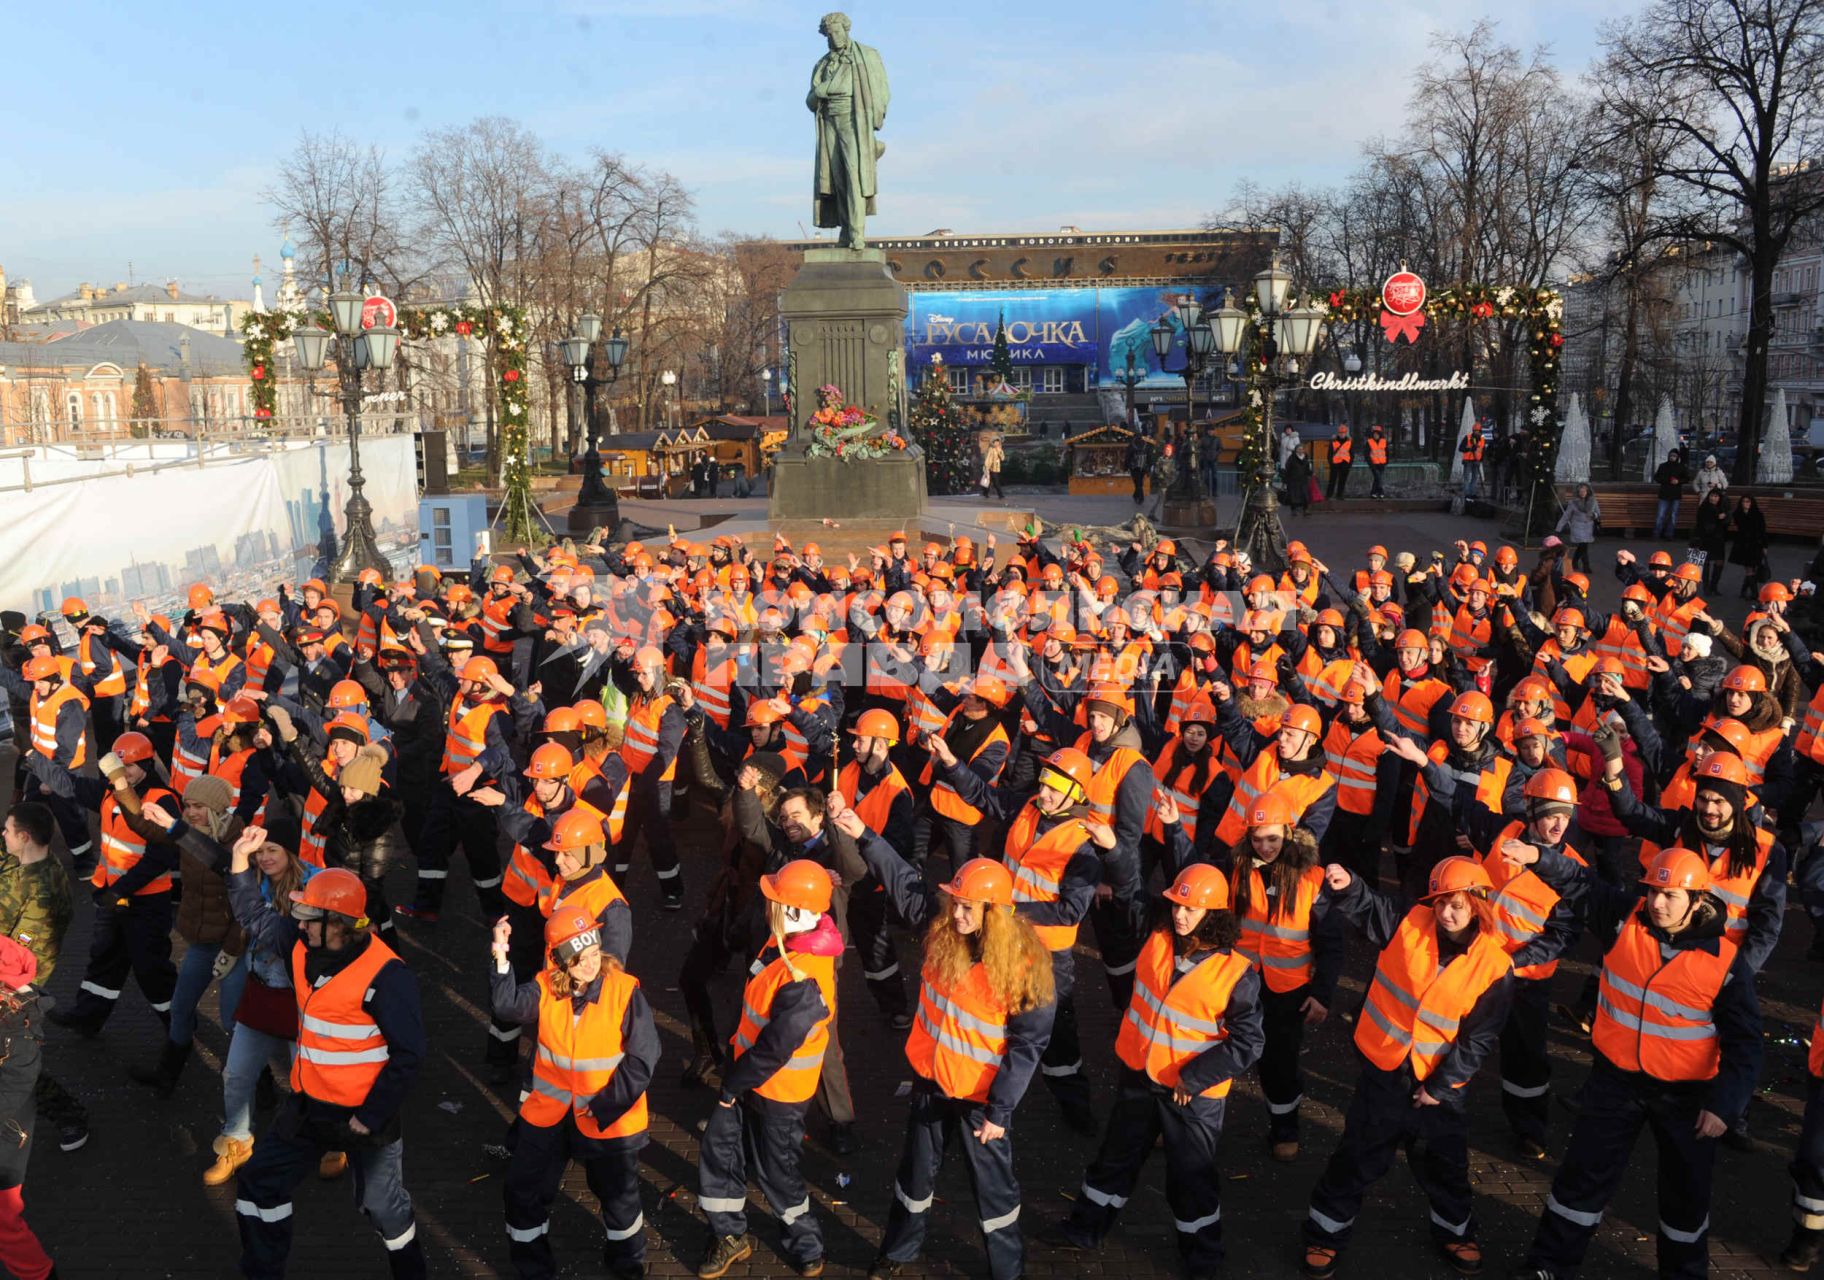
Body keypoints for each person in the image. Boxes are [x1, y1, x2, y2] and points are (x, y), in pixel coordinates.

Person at [1517, 848, 1761, 1280]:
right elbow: (1578, 881)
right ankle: (1549, 1265)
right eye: (1652, 893)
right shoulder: (1621, 919)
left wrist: (1725, 1106)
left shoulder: (1725, 963)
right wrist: (1537, 856)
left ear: (1698, 902)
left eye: (1669, 896)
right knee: (1580, 1179)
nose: (1657, 904)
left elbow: (1745, 1043)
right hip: (1616, 1082)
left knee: (1685, 1198)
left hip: (1686, 1097)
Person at [845, 824, 1056, 1280]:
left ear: (994, 913)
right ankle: (899, 1250)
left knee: (994, 1191)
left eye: (966, 908)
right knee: (915, 1177)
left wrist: (1000, 1112)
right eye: (955, 904)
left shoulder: (1023, 968)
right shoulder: (944, 933)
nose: (956, 915)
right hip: (931, 1081)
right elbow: (905, 884)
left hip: (982, 1101)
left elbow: (1028, 1046)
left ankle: (1007, 1268)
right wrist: (864, 835)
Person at [1301, 857, 1514, 1279]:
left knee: (1444, 1162)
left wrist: (1441, 1086)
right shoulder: (1407, 922)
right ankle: (1324, 1234)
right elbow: (1368, 906)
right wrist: (1347, 885)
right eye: (1440, 904)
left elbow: (1478, 1040)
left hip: (1439, 1086)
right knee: (1359, 1153)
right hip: (1386, 1067)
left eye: (1457, 905)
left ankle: (1456, 1231)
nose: (1447, 913)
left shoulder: (1495, 967)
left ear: (1477, 905)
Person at [1047, 863, 1263, 1274]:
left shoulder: (1237, 975)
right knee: (1114, 1159)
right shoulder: (1160, 939)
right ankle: (1085, 1229)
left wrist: (1194, 1077)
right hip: (1140, 1076)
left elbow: (1248, 1043)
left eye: (1191, 910)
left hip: (1190, 1095)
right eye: (1177, 905)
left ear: (1213, 915)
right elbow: (1130, 883)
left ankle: (1203, 1257)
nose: (1180, 916)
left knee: (1191, 1180)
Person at [229, 851, 427, 1279]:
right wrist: (237, 863)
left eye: (308, 918)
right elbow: (253, 915)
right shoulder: (300, 943)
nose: (299, 924)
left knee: (383, 1208)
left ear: (337, 924)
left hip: (363, 1118)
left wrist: (368, 1118)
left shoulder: (388, 976)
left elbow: (409, 1054)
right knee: (258, 1185)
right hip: (309, 1105)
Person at [491, 903, 657, 1280]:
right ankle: (534, 1270)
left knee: (619, 1201)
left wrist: (605, 1106)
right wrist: (501, 953)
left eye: (595, 953)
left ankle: (627, 1268)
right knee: (523, 1191)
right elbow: (507, 1006)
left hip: (606, 1120)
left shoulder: (625, 992)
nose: (590, 964)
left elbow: (644, 1058)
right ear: (560, 960)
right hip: (550, 1114)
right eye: (580, 957)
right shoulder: (547, 985)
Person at [694, 860, 838, 1279]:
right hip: (754, 1078)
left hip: (773, 1090)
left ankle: (806, 1244)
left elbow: (776, 1047)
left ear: (794, 910)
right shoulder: (789, 944)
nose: (766, 904)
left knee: (777, 1172)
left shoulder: (803, 974)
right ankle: (729, 1234)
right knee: (723, 1152)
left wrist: (731, 1085)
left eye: (774, 899)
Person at [0, 803, 83, 1155]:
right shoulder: (20, 865)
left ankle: (69, 1115)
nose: (2, 834)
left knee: (14, 1064)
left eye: (6, 829)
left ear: (24, 836)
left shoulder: (44, 888)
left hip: (13, 993)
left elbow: (17, 959)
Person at [0, 935, 56, 1280]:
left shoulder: (16, 1033)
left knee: (4, 1220)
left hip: (6, 1134)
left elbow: (15, 1085)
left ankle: (37, 1274)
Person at [1728, 493, 1769, 599]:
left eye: (1748, 502)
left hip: (1755, 544)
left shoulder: (1758, 514)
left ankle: (1744, 591)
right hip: (1743, 544)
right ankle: (1755, 593)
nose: (1745, 504)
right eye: (1743, 502)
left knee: (1751, 569)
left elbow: (1762, 530)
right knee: (1749, 569)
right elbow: (1740, 526)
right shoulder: (1738, 514)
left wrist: (1765, 546)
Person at [1554, 483, 1601, 573]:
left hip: (1588, 527)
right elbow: (1566, 516)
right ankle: (1586, 566)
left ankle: (1574, 562)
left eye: (1584, 491)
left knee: (1582, 546)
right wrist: (1558, 529)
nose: (1582, 493)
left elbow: (1598, 513)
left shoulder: (1593, 501)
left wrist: (1593, 515)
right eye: (1581, 491)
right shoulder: (1573, 503)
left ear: (1588, 491)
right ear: (1578, 492)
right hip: (1577, 527)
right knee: (1583, 546)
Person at [1692, 488, 1730, 592]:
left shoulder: (1722, 508)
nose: (1713, 498)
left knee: (1719, 562)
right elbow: (1700, 524)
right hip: (1706, 538)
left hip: (1718, 539)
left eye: (1716, 496)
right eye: (1712, 496)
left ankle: (1714, 585)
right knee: (1706, 562)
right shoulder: (1704, 508)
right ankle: (1706, 586)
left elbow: (1727, 523)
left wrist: (1724, 517)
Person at [1653, 446, 1689, 539]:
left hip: (1675, 494)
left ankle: (1669, 534)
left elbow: (1687, 478)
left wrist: (1678, 481)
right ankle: (1656, 534)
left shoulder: (1681, 467)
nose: (1672, 457)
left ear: (1677, 457)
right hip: (1664, 493)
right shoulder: (1663, 466)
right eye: (1671, 455)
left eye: (1674, 456)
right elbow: (1656, 477)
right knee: (1660, 515)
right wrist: (1667, 480)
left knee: (1673, 516)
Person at [1283, 444, 1313, 516]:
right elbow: (1288, 467)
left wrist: (1310, 473)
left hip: (1303, 479)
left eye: (1302, 449)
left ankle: (1305, 509)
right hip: (1293, 480)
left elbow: (1307, 469)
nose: (1300, 450)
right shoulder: (1292, 458)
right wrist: (1287, 478)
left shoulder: (1305, 458)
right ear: (1296, 450)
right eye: (1299, 449)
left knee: (1304, 495)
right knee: (1293, 495)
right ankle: (1293, 510)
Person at [1459, 422, 1486, 500]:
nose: (1476, 432)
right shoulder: (1467, 438)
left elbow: (1483, 451)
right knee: (1467, 478)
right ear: (1473, 431)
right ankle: (1467, 494)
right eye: (1475, 431)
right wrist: (1469, 449)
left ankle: (1472, 493)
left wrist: (1481, 460)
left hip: (1476, 461)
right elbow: (1461, 448)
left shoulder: (1482, 440)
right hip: (1468, 461)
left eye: (1478, 431)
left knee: (1475, 478)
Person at [1327, 424, 1353, 499]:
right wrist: (1331, 463)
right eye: (1341, 433)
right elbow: (1329, 454)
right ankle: (1329, 495)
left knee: (1342, 480)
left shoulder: (1350, 442)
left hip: (1345, 464)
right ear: (1338, 433)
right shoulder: (1333, 442)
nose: (1342, 434)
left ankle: (1339, 495)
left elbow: (1352, 454)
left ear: (1346, 433)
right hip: (1335, 464)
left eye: (1343, 433)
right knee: (1332, 480)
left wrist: (1349, 464)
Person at [1125, 433, 1152, 505]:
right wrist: (1149, 467)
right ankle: (1136, 495)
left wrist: (1126, 467)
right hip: (1143, 467)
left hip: (1134, 467)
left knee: (1137, 482)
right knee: (1140, 481)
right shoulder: (1146, 445)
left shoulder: (1132, 446)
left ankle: (1140, 497)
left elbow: (1128, 457)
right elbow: (1149, 457)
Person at [1365, 424, 1390, 498]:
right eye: (1374, 434)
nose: (1376, 435)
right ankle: (1381, 492)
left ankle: (1373, 493)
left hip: (1382, 463)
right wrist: (1370, 464)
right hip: (1374, 464)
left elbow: (1387, 453)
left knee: (1377, 479)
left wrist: (1386, 461)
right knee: (1378, 477)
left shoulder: (1384, 442)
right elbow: (1366, 454)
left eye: (1377, 434)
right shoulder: (1369, 442)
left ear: (1380, 434)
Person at [979, 432, 1005, 501]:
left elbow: (1002, 458)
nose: (997, 443)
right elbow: (988, 458)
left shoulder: (999, 449)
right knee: (994, 481)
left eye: (998, 442)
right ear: (993, 442)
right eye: (995, 442)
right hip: (990, 468)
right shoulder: (991, 449)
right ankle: (1000, 494)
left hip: (996, 468)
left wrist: (999, 451)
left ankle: (985, 492)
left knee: (990, 481)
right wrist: (986, 467)